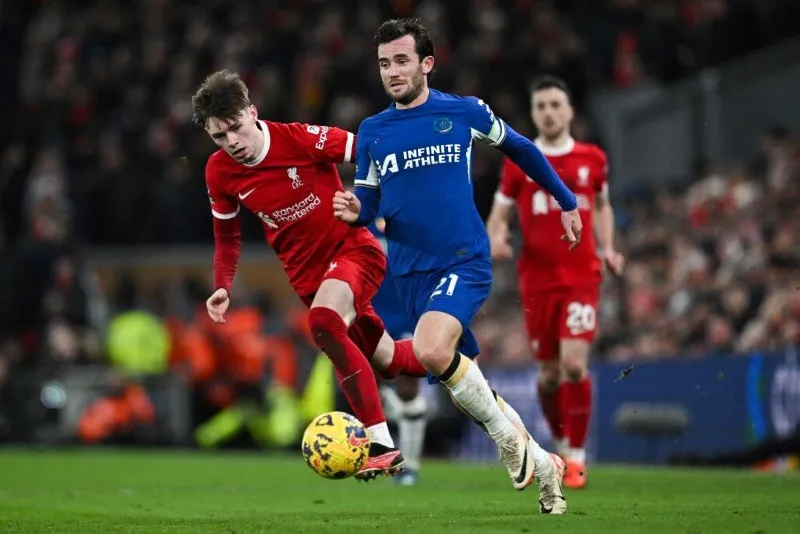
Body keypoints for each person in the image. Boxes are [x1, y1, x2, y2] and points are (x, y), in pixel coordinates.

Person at [333, 18, 579, 514]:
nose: (392, 71)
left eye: (401, 60)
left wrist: (565, 199)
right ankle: (541, 461)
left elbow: (521, 147)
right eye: (384, 63)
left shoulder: (463, 112)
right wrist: (357, 209)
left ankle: (504, 440)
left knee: (427, 348)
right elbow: (370, 196)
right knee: (458, 374)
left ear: (426, 63)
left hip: (463, 258)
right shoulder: (374, 131)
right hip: (409, 272)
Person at [192, 69, 425, 480]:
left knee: (323, 322)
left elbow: (370, 149)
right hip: (309, 280)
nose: (231, 143)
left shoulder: (299, 138)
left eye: (236, 129)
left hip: (355, 252)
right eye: (218, 137)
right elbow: (227, 236)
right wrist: (223, 287)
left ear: (252, 112)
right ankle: (458, 363)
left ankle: (381, 444)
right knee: (389, 360)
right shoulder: (219, 172)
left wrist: (375, 204)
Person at [487, 76, 624, 489]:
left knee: (574, 364)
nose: (548, 112)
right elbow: (499, 213)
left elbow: (601, 205)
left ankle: (576, 457)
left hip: (582, 276)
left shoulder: (592, 159)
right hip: (537, 281)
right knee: (548, 376)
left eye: (555, 104)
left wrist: (609, 247)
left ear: (569, 111)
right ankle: (562, 441)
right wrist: (496, 236)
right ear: (533, 114)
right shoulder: (518, 160)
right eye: (541, 105)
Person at [368, 216, 426, 486]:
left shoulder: (409, 212)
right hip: (369, 310)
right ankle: (378, 447)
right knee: (365, 379)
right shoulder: (359, 213)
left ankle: (410, 467)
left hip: (407, 312)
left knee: (408, 385)